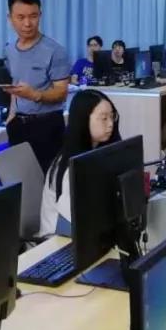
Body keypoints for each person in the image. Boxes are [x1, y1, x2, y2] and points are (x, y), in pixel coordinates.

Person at [2, 0, 71, 172]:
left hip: (47, 126)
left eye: (33, 16)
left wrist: (34, 95)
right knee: (20, 179)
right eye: (21, 17)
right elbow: (15, 84)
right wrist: (11, 116)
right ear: (10, 18)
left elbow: (62, 92)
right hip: (18, 125)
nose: (27, 23)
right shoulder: (9, 50)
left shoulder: (55, 51)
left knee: (48, 180)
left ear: (40, 15)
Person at [40, 90, 121, 237]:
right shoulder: (72, 167)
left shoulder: (96, 154)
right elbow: (67, 225)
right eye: (103, 118)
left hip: (88, 232)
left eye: (112, 116)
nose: (110, 124)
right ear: (83, 120)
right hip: (59, 239)